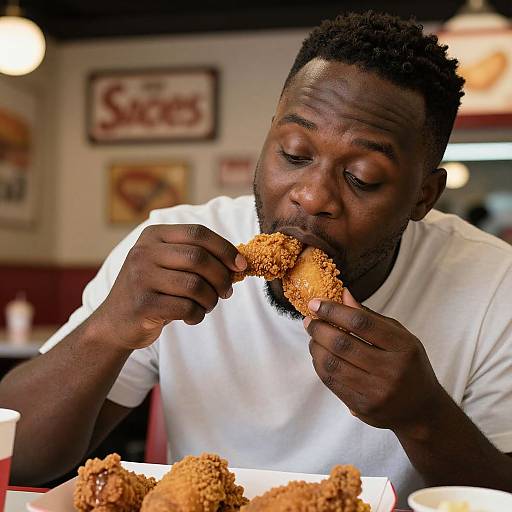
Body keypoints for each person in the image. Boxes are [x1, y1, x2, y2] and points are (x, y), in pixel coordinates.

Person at [1, 11, 511, 507]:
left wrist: (422, 415)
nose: (312, 197)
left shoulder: (493, 285)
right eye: (293, 152)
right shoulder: (170, 249)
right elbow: (18, 459)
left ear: (424, 195)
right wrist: (109, 328)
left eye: (362, 177)